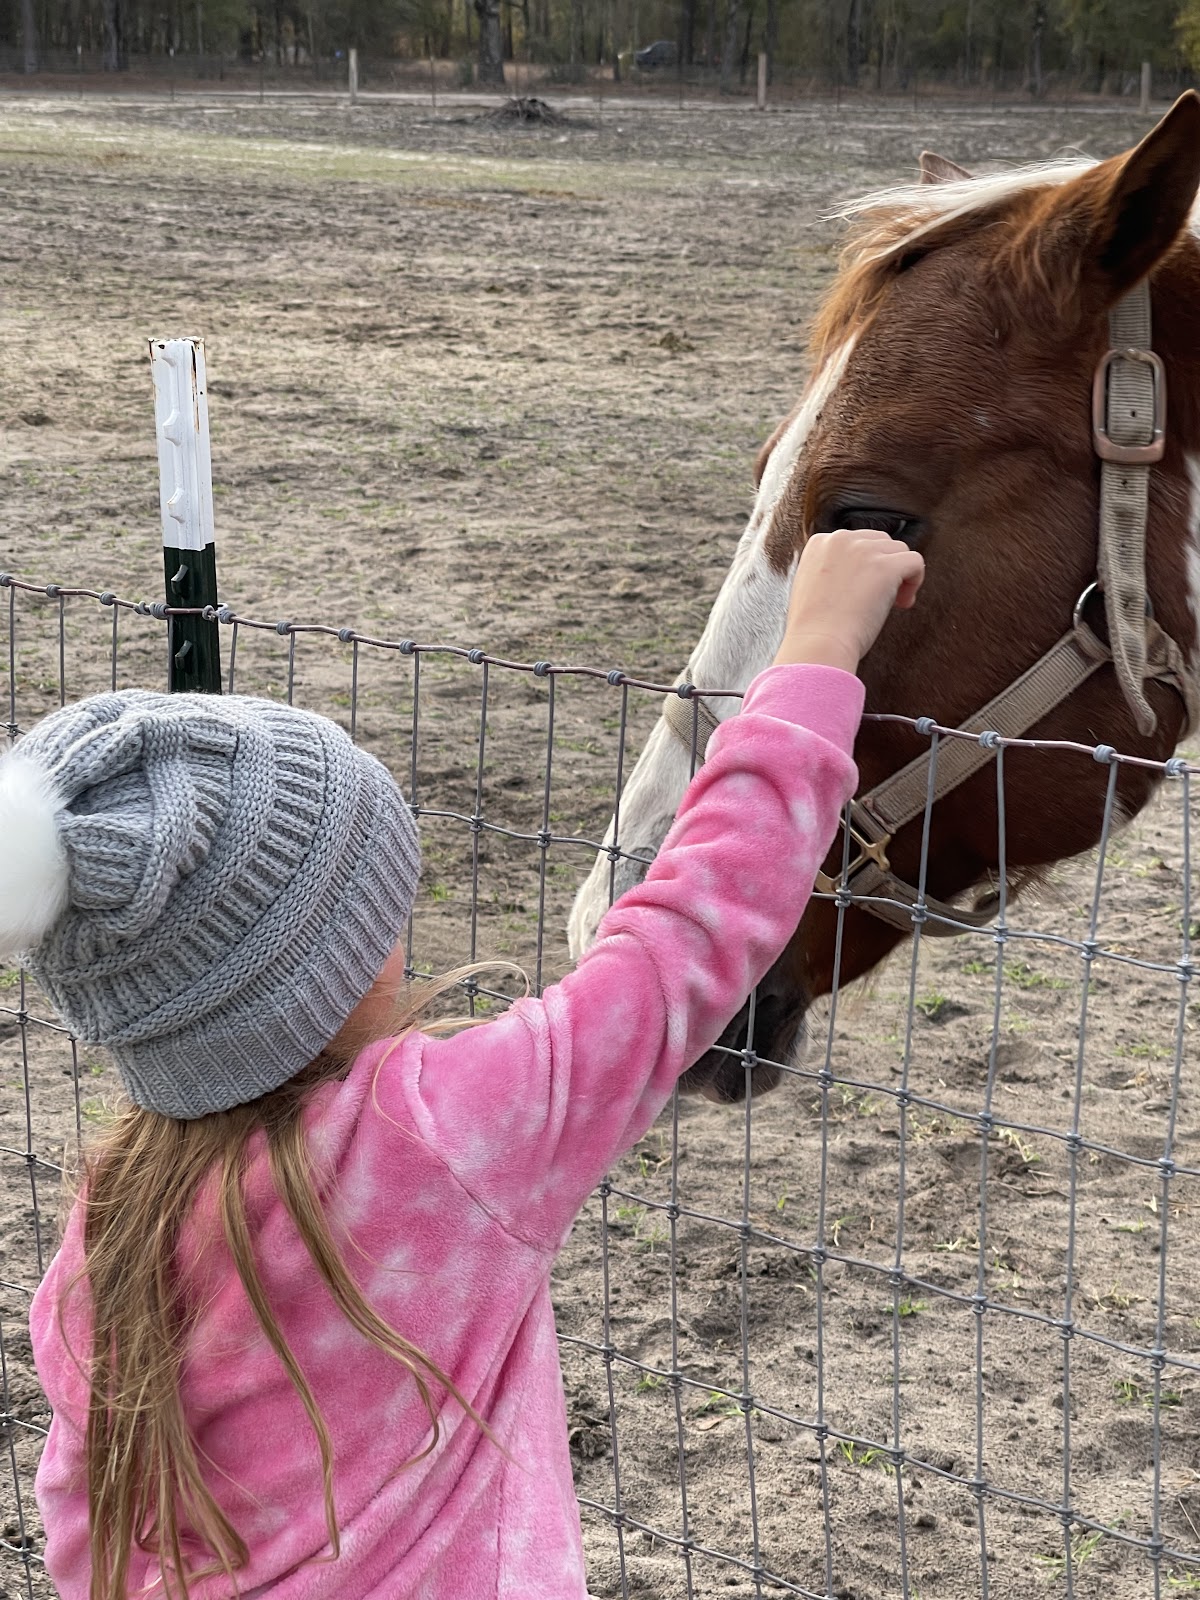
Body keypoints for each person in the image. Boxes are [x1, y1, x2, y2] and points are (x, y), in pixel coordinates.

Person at [3, 527, 923, 1600]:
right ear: (334, 960)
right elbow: (683, 946)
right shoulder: (444, 1138)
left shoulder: (108, 1223)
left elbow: (82, 1509)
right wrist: (813, 648)